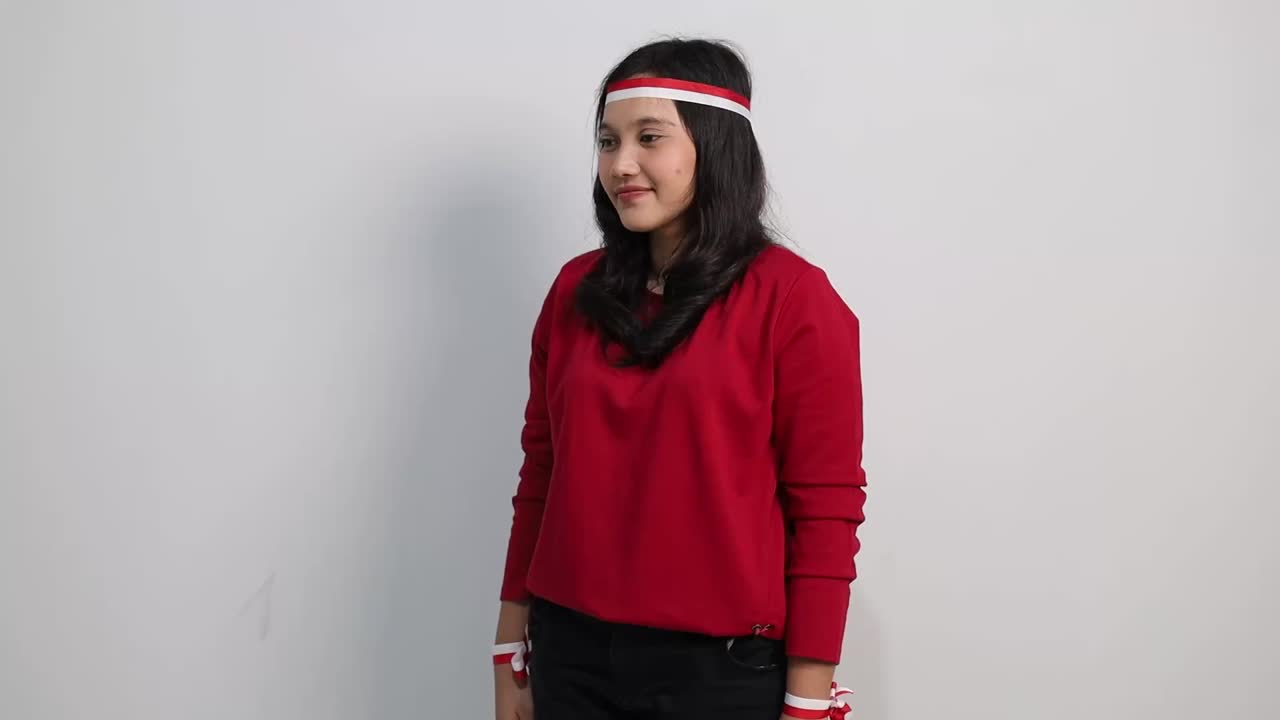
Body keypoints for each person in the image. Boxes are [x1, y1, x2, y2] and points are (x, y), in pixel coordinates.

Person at [491, 37, 867, 720]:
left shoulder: (794, 300)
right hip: (569, 655)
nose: (621, 164)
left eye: (649, 138)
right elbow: (540, 474)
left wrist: (809, 699)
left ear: (714, 145)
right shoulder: (576, 291)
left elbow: (826, 509)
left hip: (719, 677)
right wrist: (508, 647)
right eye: (607, 141)